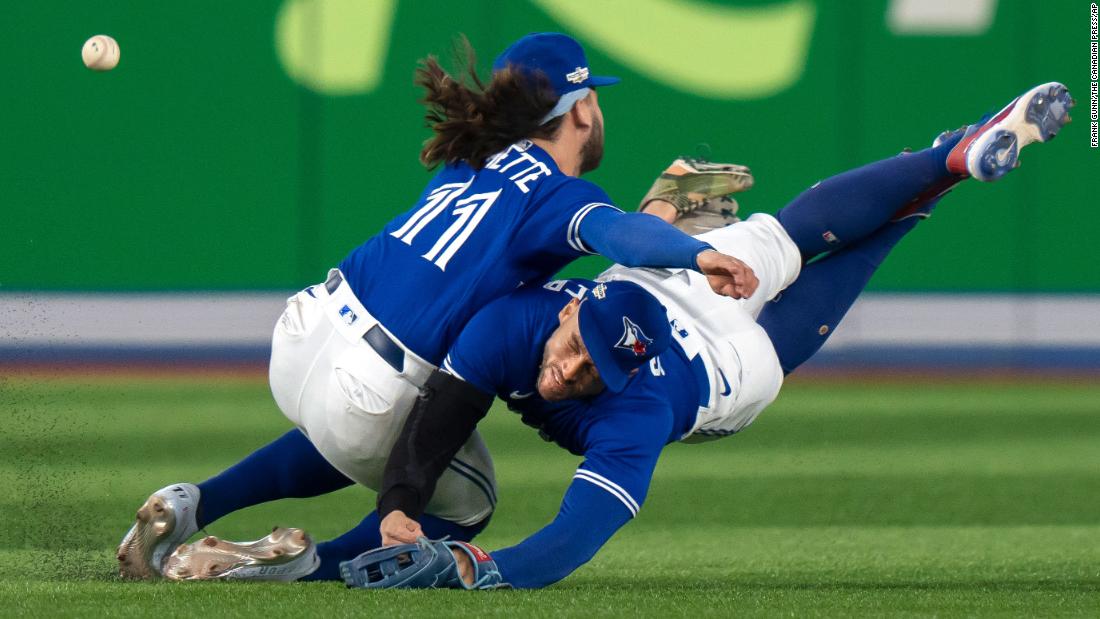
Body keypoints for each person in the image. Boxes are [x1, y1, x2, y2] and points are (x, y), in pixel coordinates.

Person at [149, 81, 1075, 586]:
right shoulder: (530, 319)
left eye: (580, 374)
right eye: (569, 350)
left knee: (829, 257)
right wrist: (412, 507)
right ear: (568, 304)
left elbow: (577, 531)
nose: (560, 376)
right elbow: (438, 413)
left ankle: (943, 169)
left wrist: (483, 567)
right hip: (668, 273)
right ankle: (943, 162)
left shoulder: (637, 402)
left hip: (723, 361)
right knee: (798, 234)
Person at [115, 31, 758, 580]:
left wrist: (666, 206)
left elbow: (622, 233)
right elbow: (618, 236)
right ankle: (304, 566)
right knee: (464, 504)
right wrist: (694, 253)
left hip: (306, 332)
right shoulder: (556, 196)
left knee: (365, 433)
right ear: (583, 109)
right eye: (594, 99)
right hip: (372, 381)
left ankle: (193, 502)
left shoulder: (467, 162)